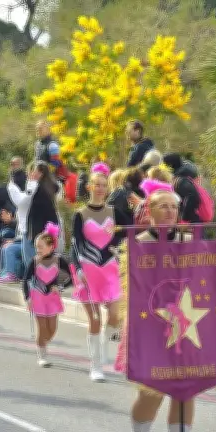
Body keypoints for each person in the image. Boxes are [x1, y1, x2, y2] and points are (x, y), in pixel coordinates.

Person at [114, 181, 216, 432]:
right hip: (152, 328)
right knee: (150, 394)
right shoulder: (138, 244)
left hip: (187, 327)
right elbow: (133, 290)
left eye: (174, 207)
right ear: (149, 211)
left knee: (186, 392)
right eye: (163, 206)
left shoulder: (191, 241)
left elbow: (208, 277)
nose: (169, 211)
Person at [70, 163, 127, 381]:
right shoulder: (80, 214)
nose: (101, 188)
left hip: (110, 268)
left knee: (114, 314)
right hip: (88, 269)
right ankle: (95, 365)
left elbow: (130, 231)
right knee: (94, 319)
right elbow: (75, 245)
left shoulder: (115, 211)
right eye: (97, 184)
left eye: (104, 185)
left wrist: (116, 246)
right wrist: (77, 268)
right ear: (90, 187)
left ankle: (103, 350)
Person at [22, 222, 72, 367]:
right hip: (37, 296)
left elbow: (72, 276)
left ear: (51, 247)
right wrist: (27, 297)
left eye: (41, 247)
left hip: (52, 298)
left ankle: (42, 343)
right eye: (36, 247)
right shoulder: (34, 261)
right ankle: (42, 355)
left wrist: (61, 287)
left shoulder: (59, 259)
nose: (37, 250)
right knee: (42, 327)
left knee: (52, 329)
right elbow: (25, 280)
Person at [10, 161, 61, 276]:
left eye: (35, 171)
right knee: (40, 260)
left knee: (31, 260)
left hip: (34, 228)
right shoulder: (49, 188)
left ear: (41, 173)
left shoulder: (37, 189)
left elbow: (21, 200)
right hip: (45, 228)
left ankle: (34, 284)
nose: (32, 174)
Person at [162, 153, 202, 223]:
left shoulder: (181, 179)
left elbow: (193, 196)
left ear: (170, 166)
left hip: (190, 222)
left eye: (164, 165)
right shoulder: (185, 174)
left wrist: (184, 219)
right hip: (194, 219)